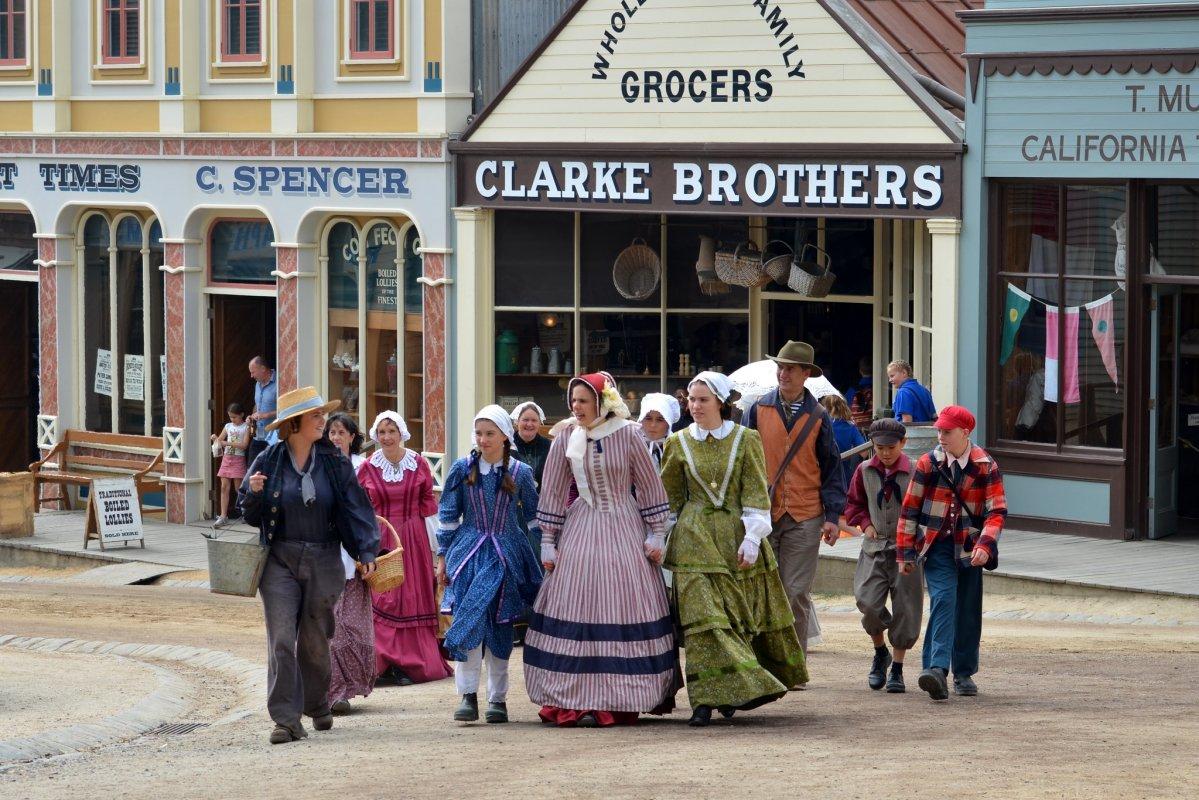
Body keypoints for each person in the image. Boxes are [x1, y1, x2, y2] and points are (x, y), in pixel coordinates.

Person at [525, 372, 678, 727]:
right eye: (573, 401)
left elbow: (649, 485)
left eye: (582, 400)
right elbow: (553, 489)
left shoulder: (628, 434)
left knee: (622, 602)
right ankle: (574, 698)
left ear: (600, 402)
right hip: (581, 524)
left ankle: (618, 697)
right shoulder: (565, 434)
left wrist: (657, 533)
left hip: (623, 523)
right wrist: (548, 539)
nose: (575, 407)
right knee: (574, 600)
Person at [662, 372, 807, 727]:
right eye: (691, 400)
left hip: (734, 535)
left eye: (702, 400)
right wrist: (660, 536)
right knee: (702, 620)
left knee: (734, 617)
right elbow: (671, 498)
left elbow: (757, 490)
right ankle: (703, 700)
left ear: (721, 403)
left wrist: (753, 536)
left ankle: (730, 689)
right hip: (694, 539)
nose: (694, 407)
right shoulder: (678, 442)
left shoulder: (746, 439)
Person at [238, 386, 379, 744]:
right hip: (279, 560)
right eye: (316, 416)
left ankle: (317, 703)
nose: (324, 421)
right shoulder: (269, 460)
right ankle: (286, 720)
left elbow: (354, 506)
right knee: (282, 639)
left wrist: (366, 551)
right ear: (296, 423)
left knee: (316, 638)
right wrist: (252, 492)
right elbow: (249, 514)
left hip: (323, 557)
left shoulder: (334, 461)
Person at [436, 406, 543, 724]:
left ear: (504, 436)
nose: (482, 439)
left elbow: (534, 518)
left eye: (489, 433)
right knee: (469, 623)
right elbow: (448, 514)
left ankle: (498, 699)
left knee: (501, 628)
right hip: (468, 556)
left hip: (507, 555)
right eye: (479, 433)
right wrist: (442, 557)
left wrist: (548, 549)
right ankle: (467, 696)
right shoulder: (461, 469)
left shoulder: (521, 472)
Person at [742, 341, 846, 662]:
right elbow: (744, 462)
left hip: (806, 514)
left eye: (790, 368)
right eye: (780, 367)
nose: (782, 373)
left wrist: (832, 516)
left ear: (805, 374)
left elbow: (832, 467)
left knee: (796, 591)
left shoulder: (818, 416)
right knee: (763, 589)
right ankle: (764, 660)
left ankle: (793, 662)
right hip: (763, 513)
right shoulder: (757, 410)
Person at [897, 405, 1007, 701]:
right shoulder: (927, 464)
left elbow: (996, 511)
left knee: (968, 609)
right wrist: (906, 554)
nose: (941, 437)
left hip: (971, 547)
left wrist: (986, 544)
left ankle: (964, 672)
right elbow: (909, 511)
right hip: (937, 546)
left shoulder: (985, 465)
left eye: (947, 432)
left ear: (965, 433)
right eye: (939, 431)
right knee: (944, 599)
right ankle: (935, 670)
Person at [357, 411, 453, 686]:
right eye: (382, 432)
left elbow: (428, 504)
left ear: (401, 433)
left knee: (412, 595)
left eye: (392, 431)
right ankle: (382, 662)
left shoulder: (419, 463)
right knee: (384, 596)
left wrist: (436, 544)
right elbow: (360, 507)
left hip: (413, 536)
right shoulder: (367, 467)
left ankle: (409, 664)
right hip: (381, 536)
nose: (386, 437)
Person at [843, 419, 922, 694]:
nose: (885, 453)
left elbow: (928, 506)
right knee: (867, 602)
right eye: (879, 448)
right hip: (874, 548)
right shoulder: (864, 470)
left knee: (906, 609)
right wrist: (865, 524)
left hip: (907, 550)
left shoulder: (915, 471)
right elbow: (854, 504)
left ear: (903, 443)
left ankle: (897, 669)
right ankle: (880, 652)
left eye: (890, 447)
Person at [321, 412, 375, 715]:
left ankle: (348, 687)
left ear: (353, 437)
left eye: (341, 432)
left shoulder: (362, 468)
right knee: (331, 625)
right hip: (326, 557)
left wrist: (366, 551)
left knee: (351, 626)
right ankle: (333, 691)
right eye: (331, 432)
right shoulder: (319, 467)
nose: (335, 438)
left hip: (353, 557)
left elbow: (367, 513)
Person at [211, 402, 253, 527]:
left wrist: (226, 443)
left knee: (238, 489)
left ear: (242, 415)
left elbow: (244, 445)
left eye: (235, 417)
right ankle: (223, 516)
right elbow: (220, 440)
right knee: (224, 487)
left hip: (238, 458)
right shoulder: (228, 426)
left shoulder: (246, 427)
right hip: (227, 458)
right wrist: (215, 439)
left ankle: (245, 513)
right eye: (230, 417)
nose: (232, 419)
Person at [820, 393, 868, 494]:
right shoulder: (850, 427)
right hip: (844, 477)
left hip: (823, 475)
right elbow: (864, 453)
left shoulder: (821, 426)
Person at [510, 401, 552, 491]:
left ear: (540, 423)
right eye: (525, 420)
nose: (529, 424)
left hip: (541, 501)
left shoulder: (549, 446)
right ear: (517, 421)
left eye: (534, 420)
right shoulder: (507, 445)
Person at [246, 356, 278, 466]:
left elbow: (287, 410)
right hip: (258, 436)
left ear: (263, 368)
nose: (251, 376)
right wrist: (252, 416)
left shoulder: (281, 381)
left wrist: (266, 414)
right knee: (252, 471)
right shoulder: (257, 384)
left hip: (274, 438)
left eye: (253, 372)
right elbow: (258, 405)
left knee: (270, 474)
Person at [638, 392, 681, 468]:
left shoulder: (678, 449)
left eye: (660, 420)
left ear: (668, 423)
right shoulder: (631, 446)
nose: (653, 425)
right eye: (648, 418)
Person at [887, 360, 937, 424]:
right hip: (927, 432)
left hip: (911, 433)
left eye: (892, 376)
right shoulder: (925, 390)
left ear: (904, 373)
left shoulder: (903, 392)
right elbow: (934, 417)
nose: (890, 380)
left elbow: (907, 422)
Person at [845, 356, 874, 430]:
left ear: (860, 371)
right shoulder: (883, 389)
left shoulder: (852, 390)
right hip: (876, 429)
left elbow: (845, 411)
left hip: (857, 430)